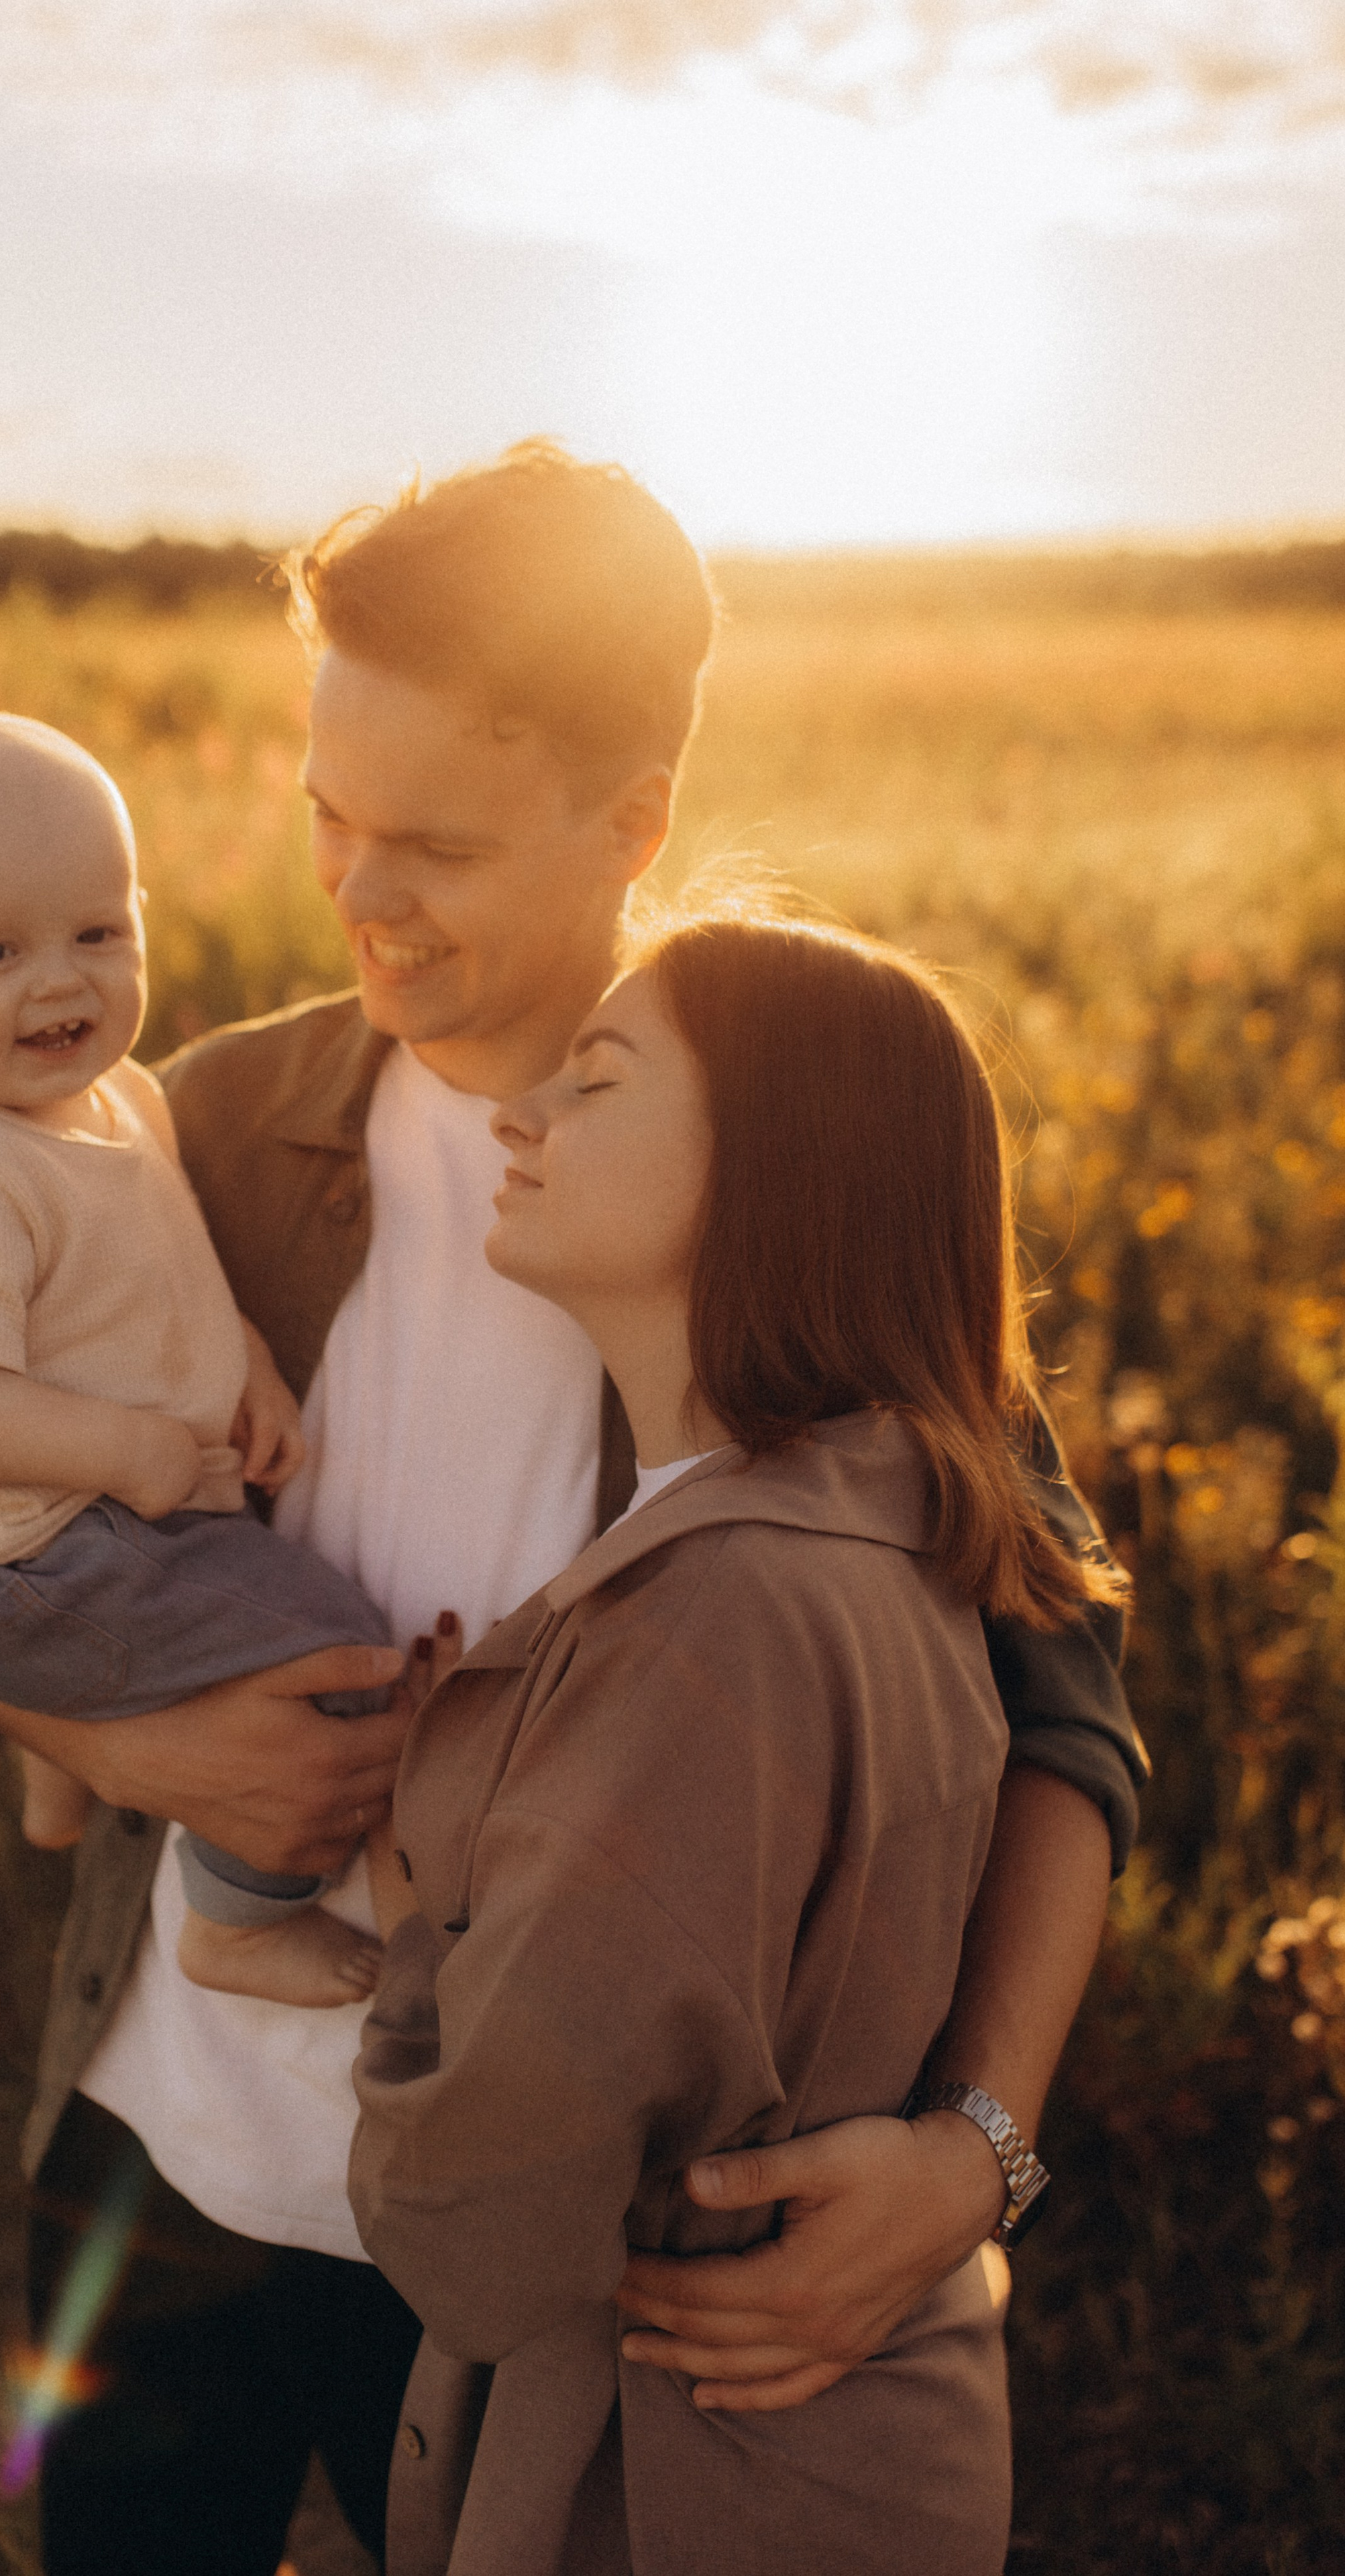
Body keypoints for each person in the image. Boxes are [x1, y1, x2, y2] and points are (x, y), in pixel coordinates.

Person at [0, 444, 1145, 2576]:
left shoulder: (781, 1167)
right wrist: (116, 1743)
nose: (354, 891)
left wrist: (979, 2150)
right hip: (160, 2151)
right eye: (329, 813)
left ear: (633, 823)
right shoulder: (201, 1126)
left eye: (434, 842)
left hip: (551, 2262)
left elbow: (1063, 1698)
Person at [350, 910, 1126, 2575]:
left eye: (598, 1081)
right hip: (846, 2442)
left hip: (677, 2479)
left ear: (778, 1170)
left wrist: (405, 1912)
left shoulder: (714, 1619)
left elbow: (477, 2232)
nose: (520, 1118)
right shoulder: (897, 1533)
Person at [0, 712, 404, 2011]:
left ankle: (61, 1772)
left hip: (73, 1527)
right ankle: (236, 1919)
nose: (61, 983)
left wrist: (246, 1365)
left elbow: (165, 1276)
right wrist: (121, 1447)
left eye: (98, 932)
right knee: (335, 1650)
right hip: (56, 1543)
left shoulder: (124, 1097)